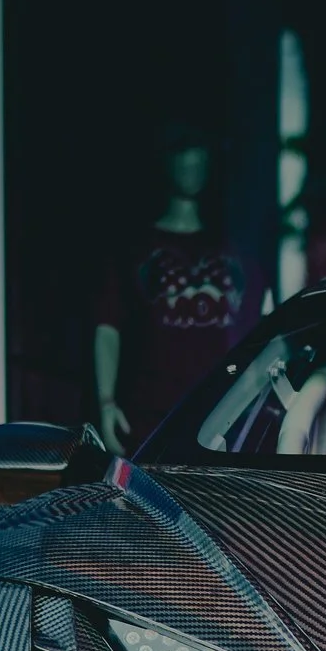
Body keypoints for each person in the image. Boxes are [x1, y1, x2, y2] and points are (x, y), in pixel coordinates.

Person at [94, 125, 251, 449]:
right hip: (152, 420)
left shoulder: (236, 252)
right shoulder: (134, 250)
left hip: (227, 418)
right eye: (182, 149)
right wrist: (106, 402)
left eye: (199, 150)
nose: (191, 161)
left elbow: (259, 327)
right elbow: (108, 326)